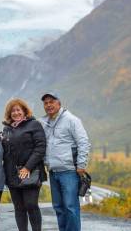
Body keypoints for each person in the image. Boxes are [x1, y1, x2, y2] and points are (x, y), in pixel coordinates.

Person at [40, 92, 91, 231]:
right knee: (58, 207)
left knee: (70, 207)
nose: (49, 105)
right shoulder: (45, 123)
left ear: (59, 103)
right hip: (53, 171)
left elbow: (83, 142)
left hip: (69, 171)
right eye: (46, 103)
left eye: (52, 101)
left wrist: (81, 165)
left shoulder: (71, 120)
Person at [2, 98, 47, 231]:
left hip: (31, 171)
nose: (15, 113)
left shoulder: (34, 125)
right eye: (12, 111)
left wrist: (27, 167)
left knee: (31, 205)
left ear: (24, 111)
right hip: (12, 174)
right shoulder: (7, 129)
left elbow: (40, 147)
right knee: (19, 207)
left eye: (18, 110)